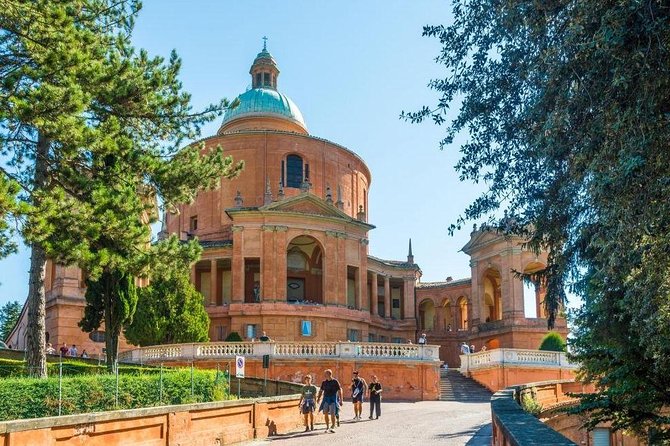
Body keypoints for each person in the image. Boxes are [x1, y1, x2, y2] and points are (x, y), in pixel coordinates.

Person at [316, 369, 342, 433]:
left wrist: (341, 400)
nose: (325, 375)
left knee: (333, 413)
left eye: (326, 374)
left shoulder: (335, 381)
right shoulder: (324, 382)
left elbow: (339, 390)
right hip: (325, 399)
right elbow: (321, 391)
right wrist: (318, 398)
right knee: (325, 413)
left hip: (333, 399)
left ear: (330, 374)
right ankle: (327, 427)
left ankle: (333, 426)